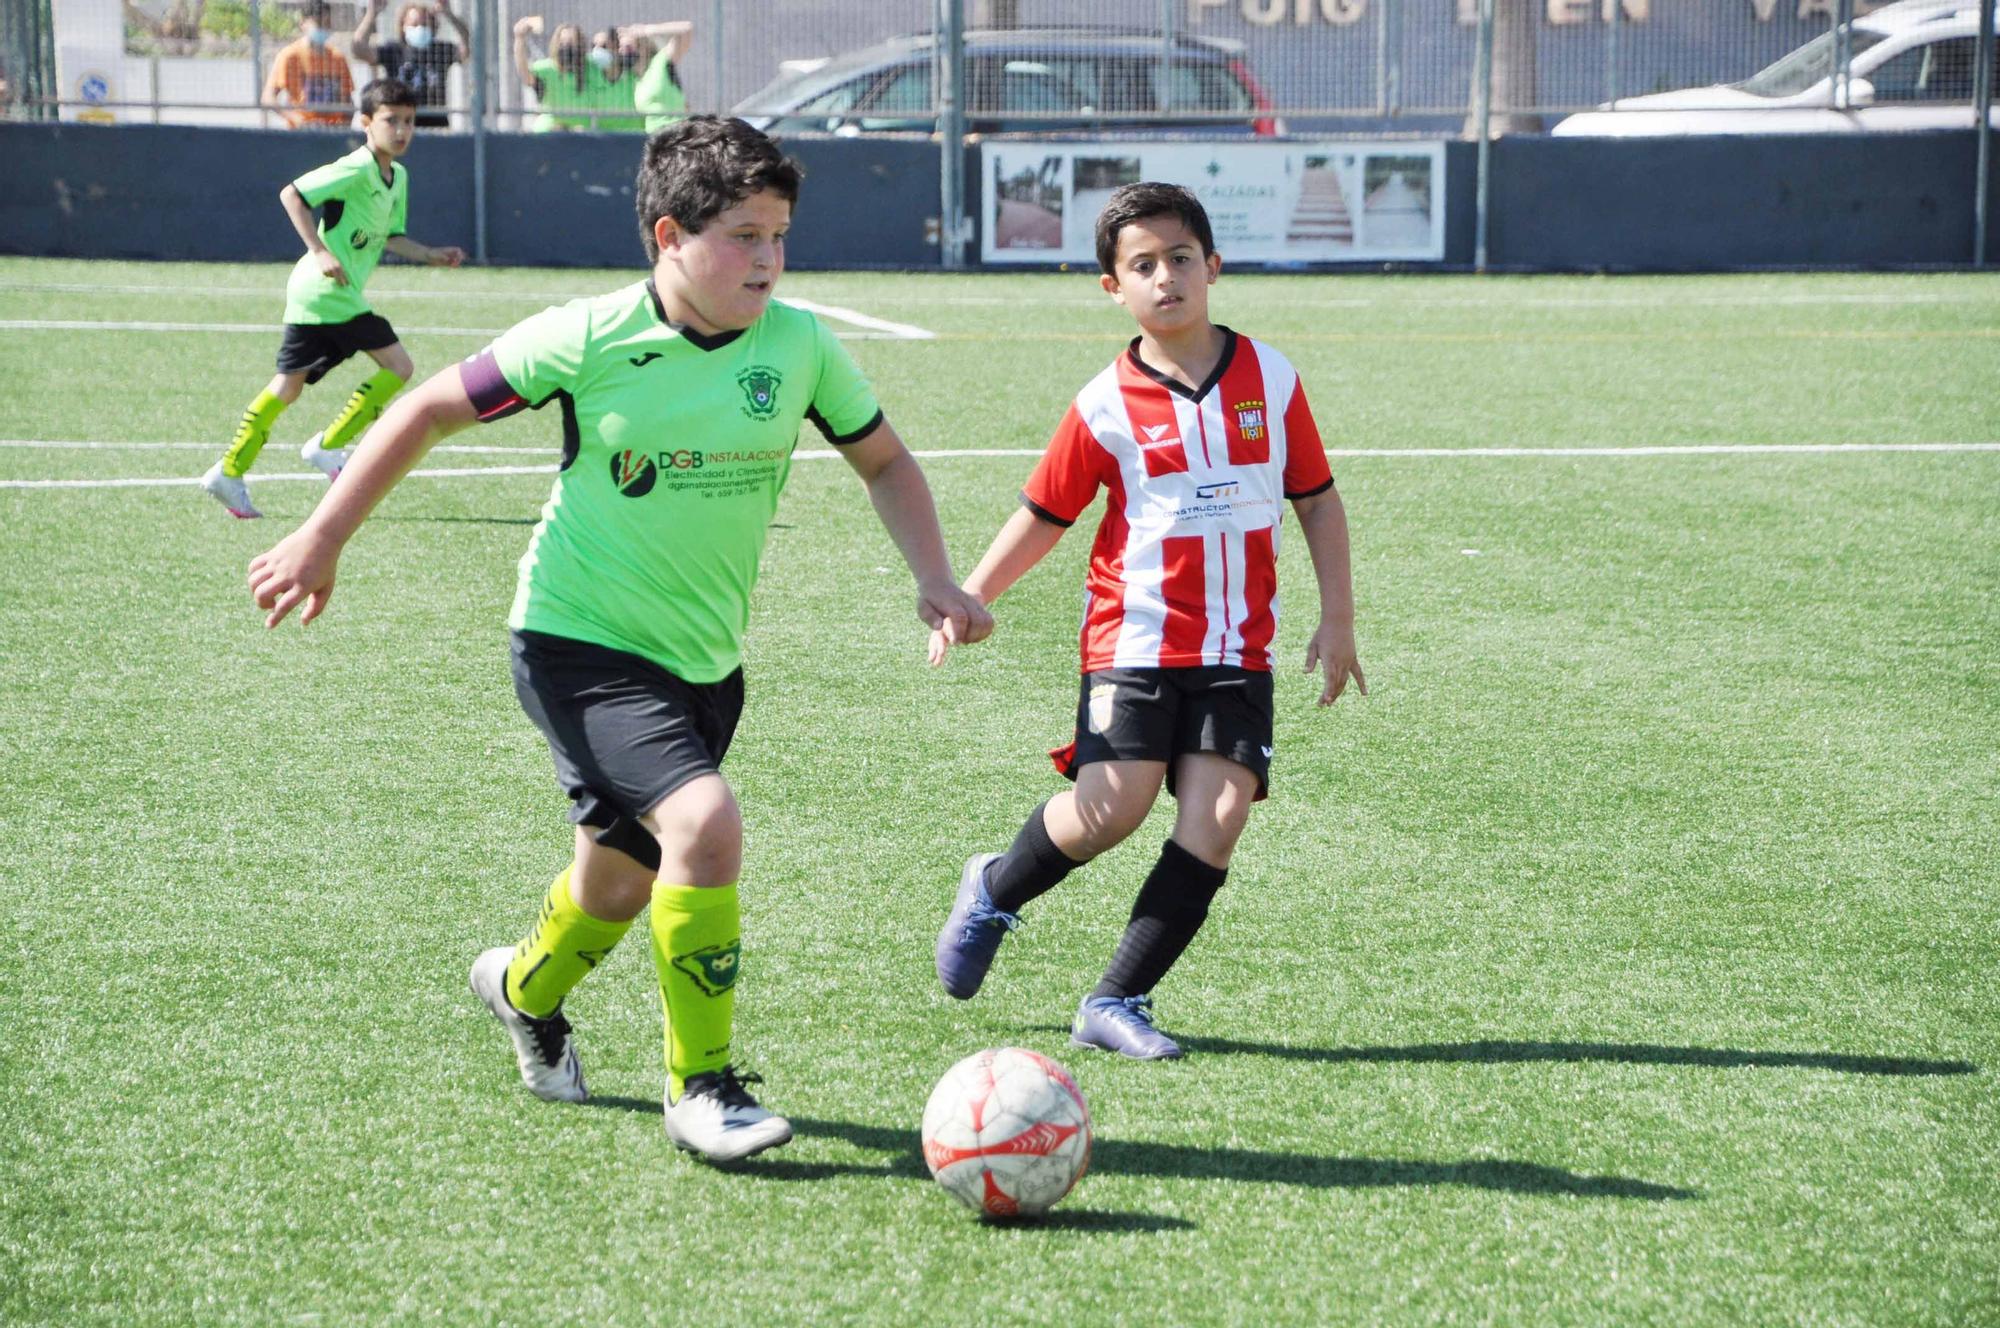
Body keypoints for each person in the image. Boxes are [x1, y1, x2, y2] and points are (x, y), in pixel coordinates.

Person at [244, 117, 992, 1162]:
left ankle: (519, 989)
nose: (767, 260)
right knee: (704, 822)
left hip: (705, 662)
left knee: (620, 878)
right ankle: (703, 1088)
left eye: (778, 236)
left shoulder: (800, 344)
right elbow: (420, 409)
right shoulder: (586, 336)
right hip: (575, 641)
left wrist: (933, 574)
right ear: (666, 236)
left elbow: (884, 461)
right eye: (741, 236)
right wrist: (321, 536)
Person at [929, 181, 1364, 1061]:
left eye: (1179, 258)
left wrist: (1339, 616)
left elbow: (1316, 501)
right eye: (1142, 265)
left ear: (1213, 265)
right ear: (1112, 288)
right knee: (1110, 810)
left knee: (1223, 812)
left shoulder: (1272, 381)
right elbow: (1043, 515)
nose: (1165, 277)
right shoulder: (1103, 404)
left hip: (1237, 645)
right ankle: (994, 888)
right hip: (1133, 638)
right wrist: (970, 596)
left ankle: (1117, 998)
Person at [202, 79, 465, 519]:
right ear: (365, 124)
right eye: (390, 121)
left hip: (336, 296)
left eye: (409, 121)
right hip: (323, 293)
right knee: (396, 367)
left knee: (289, 387)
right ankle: (320, 449)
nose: (401, 130)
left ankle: (236, 471)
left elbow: (391, 237)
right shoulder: (356, 168)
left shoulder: (396, 176)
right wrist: (319, 251)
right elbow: (293, 195)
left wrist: (430, 255)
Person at [352, 0, 468, 130]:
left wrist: (449, 14)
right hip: (400, 123)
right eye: (414, 24)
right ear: (403, 26)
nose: (420, 28)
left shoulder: (440, 50)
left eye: (425, 24)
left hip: (436, 123)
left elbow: (466, 49)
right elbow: (359, 49)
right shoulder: (394, 50)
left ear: (433, 27)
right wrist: (371, 14)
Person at [262, 0, 356, 129]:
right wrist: (295, 118)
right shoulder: (290, 56)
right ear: (303, 23)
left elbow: (348, 100)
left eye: (327, 24)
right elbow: (268, 97)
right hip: (302, 131)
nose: (324, 28)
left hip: (333, 131)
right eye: (318, 23)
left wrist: (344, 128)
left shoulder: (338, 58)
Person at [512, 16, 608, 131]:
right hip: (550, 130)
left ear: (580, 45)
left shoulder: (592, 67)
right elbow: (526, 76)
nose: (567, 46)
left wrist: (603, 41)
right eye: (563, 42)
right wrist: (519, 38)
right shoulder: (546, 68)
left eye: (571, 42)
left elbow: (610, 61)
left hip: (582, 133)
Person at [620, 19, 693, 132]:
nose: (623, 53)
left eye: (628, 47)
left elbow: (687, 29)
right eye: (621, 48)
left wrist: (647, 30)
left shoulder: (661, 61)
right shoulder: (634, 78)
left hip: (676, 134)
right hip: (654, 139)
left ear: (642, 46)